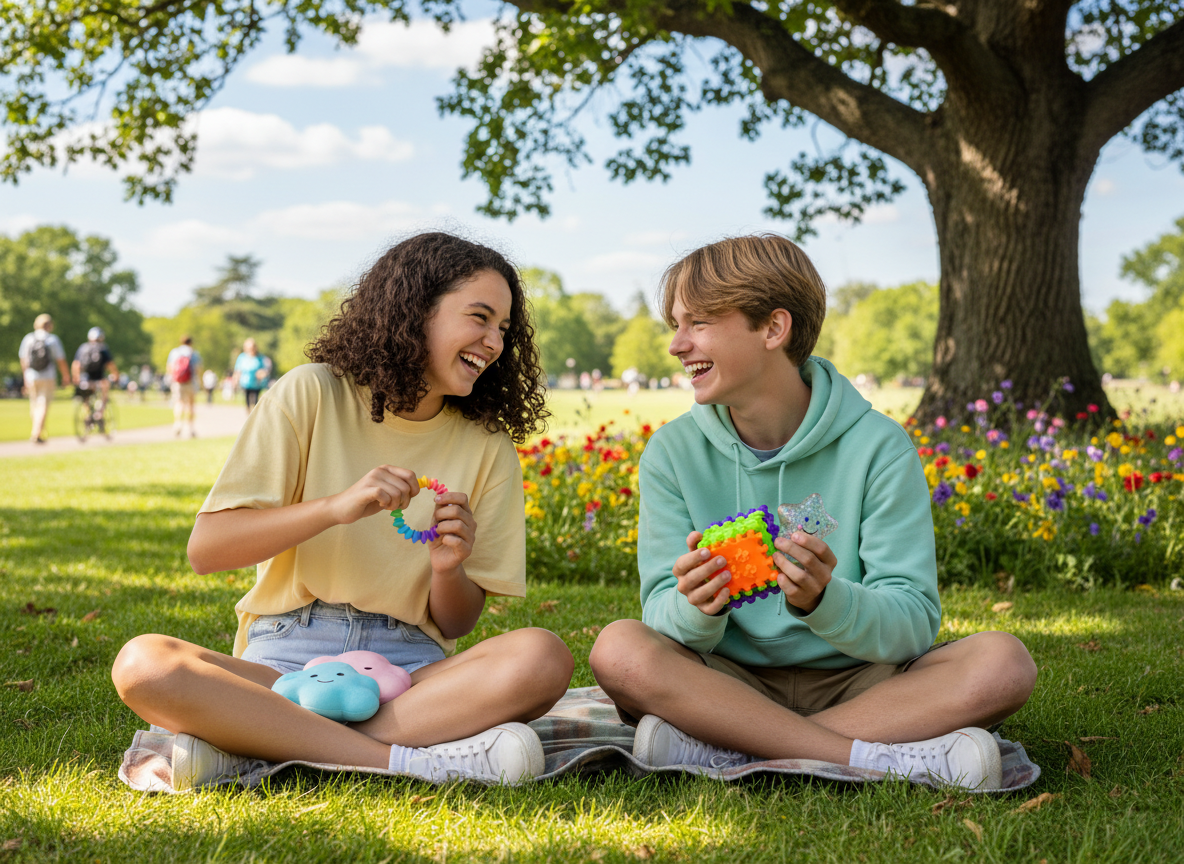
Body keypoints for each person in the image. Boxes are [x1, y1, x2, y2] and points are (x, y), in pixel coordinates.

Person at [111, 232, 571, 790]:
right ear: (415, 309)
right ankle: (401, 760)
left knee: (542, 657)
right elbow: (208, 550)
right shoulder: (311, 393)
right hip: (284, 661)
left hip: (411, 673)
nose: (494, 342)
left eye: (504, 327)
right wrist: (333, 507)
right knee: (144, 665)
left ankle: (256, 745)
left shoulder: (487, 444)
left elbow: (457, 623)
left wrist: (450, 568)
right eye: (480, 317)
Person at [589, 234, 1037, 791]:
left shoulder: (879, 446)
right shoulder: (672, 454)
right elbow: (658, 614)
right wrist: (695, 609)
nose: (677, 345)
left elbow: (913, 622)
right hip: (726, 682)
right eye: (675, 325)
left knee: (1004, 663)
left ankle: (732, 747)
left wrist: (826, 600)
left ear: (773, 329)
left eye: (697, 323)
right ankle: (867, 756)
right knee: (619, 649)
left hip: (864, 684)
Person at [18, 313, 71, 444]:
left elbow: (24, 360)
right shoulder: (52, 339)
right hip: (47, 376)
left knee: (34, 404)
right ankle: (36, 432)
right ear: (49, 325)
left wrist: (25, 377)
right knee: (43, 404)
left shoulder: (28, 339)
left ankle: (39, 431)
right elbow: (60, 360)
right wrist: (66, 375)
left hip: (31, 376)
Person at [72, 327, 119, 416]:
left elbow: (76, 364)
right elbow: (111, 365)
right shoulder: (103, 348)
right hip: (100, 378)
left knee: (86, 396)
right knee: (105, 391)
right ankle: (100, 412)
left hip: (86, 378)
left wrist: (76, 377)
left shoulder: (83, 348)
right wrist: (116, 376)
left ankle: (88, 413)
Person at [166, 336, 203, 438]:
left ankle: (178, 424)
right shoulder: (194, 353)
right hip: (190, 382)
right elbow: (198, 369)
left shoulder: (174, 352)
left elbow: (170, 368)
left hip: (178, 382)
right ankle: (191, 428)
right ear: (191, 343)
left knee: (179, 403)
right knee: (191, 405)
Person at [234, 338, 270, 413]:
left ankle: (254, 413)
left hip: (257, 383)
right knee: (247, 398)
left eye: (253, 347)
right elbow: (238, 369)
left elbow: (266, 369)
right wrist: (235, 380)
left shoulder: (260, 357)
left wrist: (262, 373)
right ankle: (248, 411)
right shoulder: (242, 357)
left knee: (256, 399)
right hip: (246, 382)